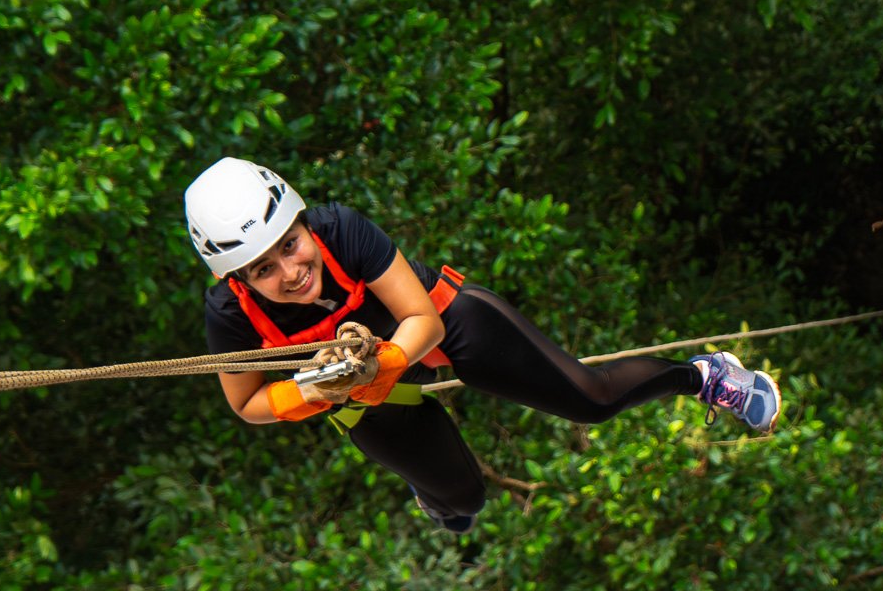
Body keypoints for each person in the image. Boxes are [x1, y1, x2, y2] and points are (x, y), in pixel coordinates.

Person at [184, 157, 781, 534]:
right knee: (464, 503)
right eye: (263, 269)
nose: (289, 273)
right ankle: (433, 489)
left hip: (433, 323)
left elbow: (422, 319)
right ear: (235, 280)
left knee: (592, 400)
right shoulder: (229, 316)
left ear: (303, 223)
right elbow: (246, 404)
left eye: (290, 246)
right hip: (353, 391)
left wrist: (386, 359)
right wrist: (309, 391)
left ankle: (704, 376)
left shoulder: (341, 230)